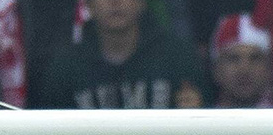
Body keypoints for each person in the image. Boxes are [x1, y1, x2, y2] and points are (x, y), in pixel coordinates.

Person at [32, 0, 206, 108]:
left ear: (143, 2)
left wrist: (196, 114)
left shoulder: (177, 57)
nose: (115, 2)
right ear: (88, 4)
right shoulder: (64, 68)